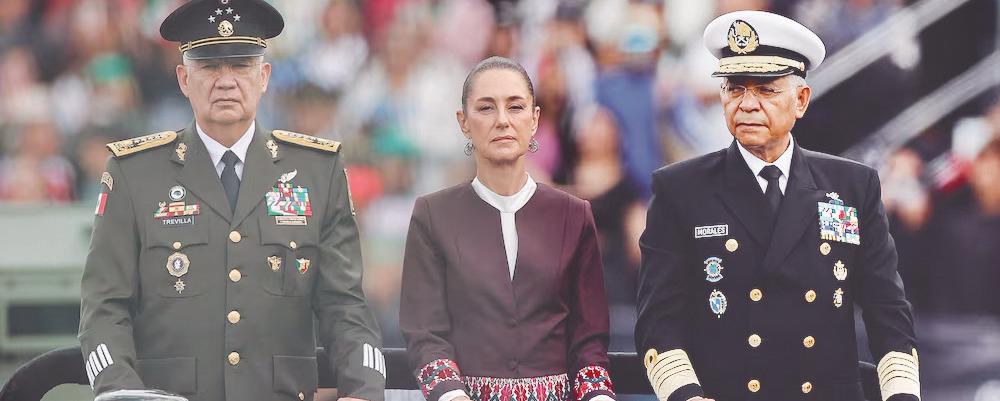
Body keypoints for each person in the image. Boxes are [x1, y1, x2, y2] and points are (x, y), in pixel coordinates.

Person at [78, 1, 385, 401]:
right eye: (209, 67)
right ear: (184, 78)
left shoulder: (316, 171)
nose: (225, 81)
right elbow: (103, 309)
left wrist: (364, 390)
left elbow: (346, 306)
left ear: (264, 76)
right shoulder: (134, 173)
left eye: (241, 66)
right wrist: (123, 393)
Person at [634, 11, 920, 401]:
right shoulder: (680, 190)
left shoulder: (853, 187)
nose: (747, 104)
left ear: (801, 100)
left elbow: (888, 311)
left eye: (766, 90)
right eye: (735, 88)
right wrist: (687, 396)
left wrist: (902, 395)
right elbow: (658, 320)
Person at [399, 56, 617, 401]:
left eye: (515, 107)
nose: (502, 120)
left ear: (535, 119)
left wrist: (598, 396)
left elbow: (589, 339)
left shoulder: (573, 214)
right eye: (486, 108)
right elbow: (425, 333)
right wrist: (452, 395)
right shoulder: (433, 215)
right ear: (463, 122)